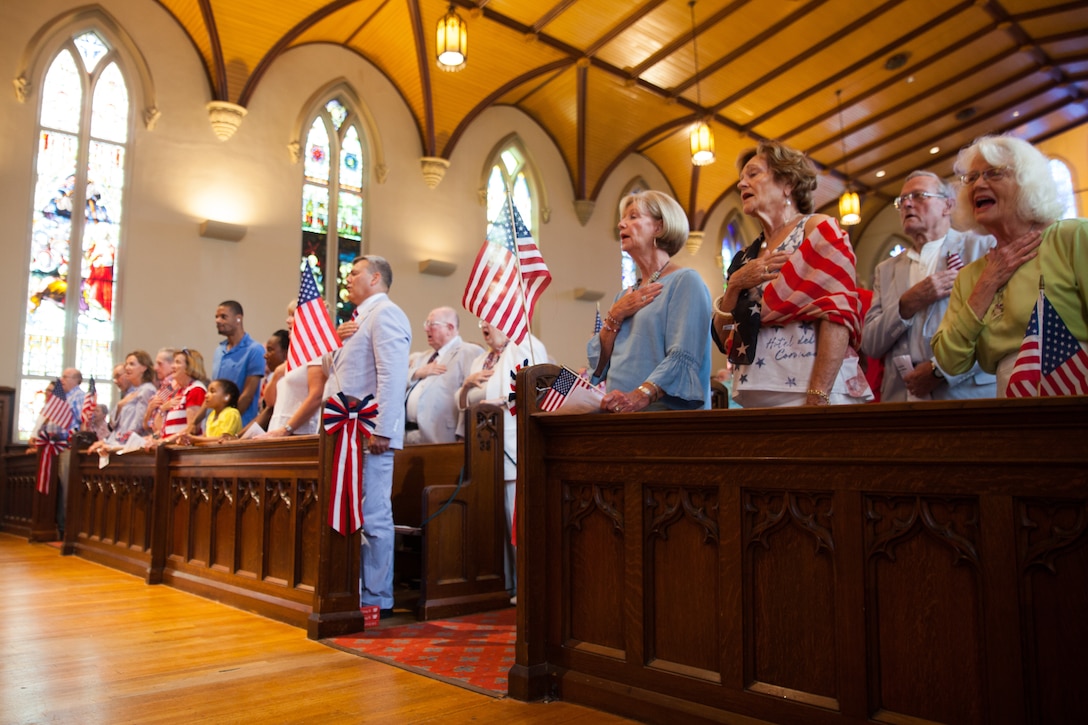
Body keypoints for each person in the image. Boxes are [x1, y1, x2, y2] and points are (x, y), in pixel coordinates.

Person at [711, 140, 871, 407]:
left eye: (753, 174)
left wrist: (818, 396)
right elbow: (723, 335)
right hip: (755, 392)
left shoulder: (818, 229)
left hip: (811, 391)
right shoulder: (746, 256)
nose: (741, 184)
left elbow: (837, 315)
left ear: (787, 183)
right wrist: (735, 284)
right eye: (741, 178)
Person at [931, 135, 1085, 395]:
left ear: (1028, 183)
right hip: (1010, 404)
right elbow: (949, 360)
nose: (979, 183)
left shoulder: (1072, 237)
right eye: (972, 178)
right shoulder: (972, 276)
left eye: (993, 173)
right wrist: (988, 283)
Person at [325, 255, 411, 617]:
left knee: (374, 515)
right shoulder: (357, 320)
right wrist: (336, 341)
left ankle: (378, 599)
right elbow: (342, 373)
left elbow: (392, 375)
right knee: (353, 511)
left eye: (355, 272)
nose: (348, 277)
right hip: (344, 434)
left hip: (368, 432)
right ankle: (356, 589)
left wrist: (383, 430)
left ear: (375, 278)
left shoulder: (385, 314)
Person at [862, 171, 996, 401]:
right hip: (902, 397)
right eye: (901, 201)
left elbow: (997, 325)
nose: (907, 204)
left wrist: (939, 371)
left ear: (947, 205)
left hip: (964, 394)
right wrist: (906, 305)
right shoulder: (885, 269)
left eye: (918, 196)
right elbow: (871, 344)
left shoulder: (980, 248)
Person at [590, 190, 712, 412]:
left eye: (633, 216)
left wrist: (639, 396)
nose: (621, 224)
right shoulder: (623, 297)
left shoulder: (685, 281)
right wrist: (614, 316)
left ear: (659, 227)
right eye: (622, 218)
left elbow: (683, 356)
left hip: (664, 419)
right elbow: (599, 367)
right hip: (622, 416)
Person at [456, 320, 547, 599]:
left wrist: (496, 402)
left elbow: (537, 388)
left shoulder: (526, 347)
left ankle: (526, 587)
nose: (484, 326)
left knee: (515, 520)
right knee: (493, 521)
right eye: (481, 321)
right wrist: (466, 386)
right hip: (483, 450)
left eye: (490, 320)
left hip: (512, 443)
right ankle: (502, 583)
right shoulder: (481, 360)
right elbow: (462, 404)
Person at [404, 306, 482, 443]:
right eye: (426, 324)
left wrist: (464, 433)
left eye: (431, 324)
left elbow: (471, 394)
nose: (426, 329)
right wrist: (417, 373)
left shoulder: (469, 352)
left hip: (444, 435)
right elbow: (395, 380)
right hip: (409, 435)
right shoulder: (420, 357)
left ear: (450, 328)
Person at [89, 350, 157, 453]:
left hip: (133, 445)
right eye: (126, 364)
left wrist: (115, 443)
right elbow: (114, 425)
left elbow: (139, 423)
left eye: (132, 364)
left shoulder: (147, 390)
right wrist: (106, 441)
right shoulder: (131, 393)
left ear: (144, 367)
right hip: (121, 443)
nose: (127, 368)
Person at [211, 301, 265, 425]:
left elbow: (248, 394)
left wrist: (229, 420)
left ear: (238, 319)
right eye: (216, 317)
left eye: (223, 317)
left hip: (239, 424)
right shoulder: (219, 351)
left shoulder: (254, 349)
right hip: (216, 424)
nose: (218, 321)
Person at [152, 349, 208, 445]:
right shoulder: (176, 391)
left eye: (177, 362)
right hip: (170, 448)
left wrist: (165, 441)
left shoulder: (196, 390)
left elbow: (192, 428)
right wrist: (163, 409)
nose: (173, 366)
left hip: (184, 450)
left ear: (190, 366)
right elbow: (159, 427)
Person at [179, 379, 241, 444]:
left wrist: (194, 439)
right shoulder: (212, 414)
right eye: (207, 392)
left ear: (226, 397)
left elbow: (224, 438)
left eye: (212, 391)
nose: (206, 395)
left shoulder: (231, 413)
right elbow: (206, 436)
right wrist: (187, 438)